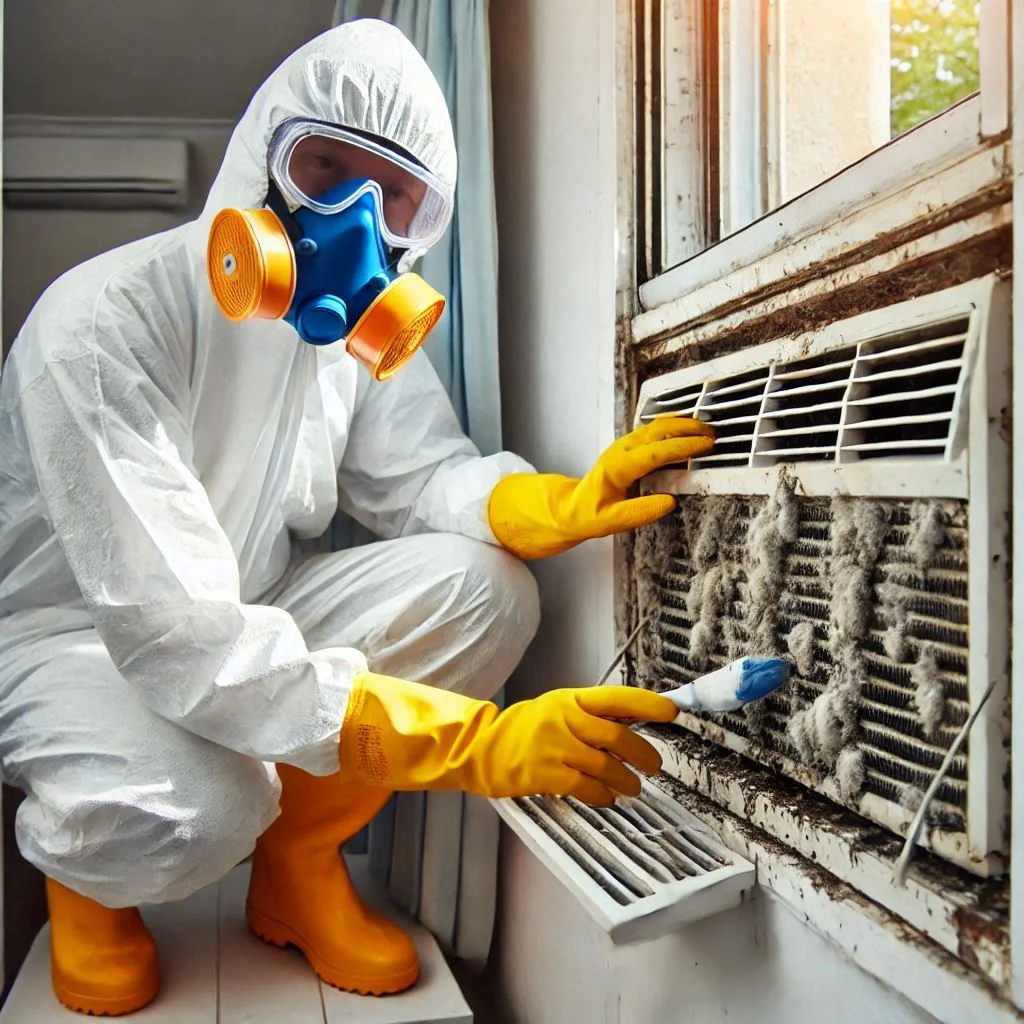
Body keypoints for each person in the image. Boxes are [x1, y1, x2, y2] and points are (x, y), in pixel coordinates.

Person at [0, 19, 715, 1016]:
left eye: (395, 199)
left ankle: (297, 859)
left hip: (247, 601)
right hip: (78, 643)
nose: (352, 218)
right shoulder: (96, 327)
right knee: (207, 807)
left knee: (487, 591)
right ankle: (88, 875)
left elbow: (424, 477)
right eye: (324, 168)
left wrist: (546, 503)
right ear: (262, 158)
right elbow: (177, 635)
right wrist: (478, 745)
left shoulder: (344, 340)